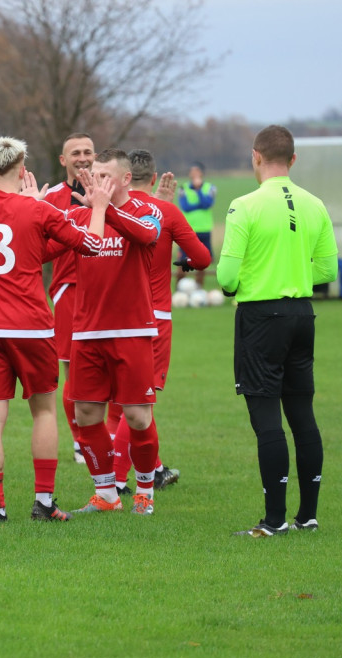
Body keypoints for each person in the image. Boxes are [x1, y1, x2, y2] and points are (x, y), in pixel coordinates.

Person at [0, 136, 115, 523]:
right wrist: (98, 207)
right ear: (22, 170)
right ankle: (44, 503)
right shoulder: (38, 211)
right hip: (31, 327)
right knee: (45, 413)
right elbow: (92, 245)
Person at [218, 125, 338, 537]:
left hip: (260, 318)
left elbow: (228, 277)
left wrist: (247, 279)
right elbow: (328, 271)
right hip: (303, 315)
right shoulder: (315, 204)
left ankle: (273, 521)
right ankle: (308, 514)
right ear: (293, 159)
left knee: (267, 420)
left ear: (255, 157)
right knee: (303, 416)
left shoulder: (244, 205)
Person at [108, 150, 214, 496]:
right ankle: (118, 480)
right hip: (153, 318)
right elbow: (201, 257)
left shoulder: (109, 209)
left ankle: (151, 469)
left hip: (110, 317)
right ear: (153, 179)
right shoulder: (165, 211)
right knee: (139, 403)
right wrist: (178, 258)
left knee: (121, 401)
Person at [67, 149, 163, 516]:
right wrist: (32, 207)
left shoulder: (144, 210)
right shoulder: (80, 215)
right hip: (87, 333)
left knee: (138, 417)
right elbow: (43, 242)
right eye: (94, 174)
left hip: (133, 331)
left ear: (125, 179)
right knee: (87, 414)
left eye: (105, 175)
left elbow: (145, 235)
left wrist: (107, 210)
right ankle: (106, 494)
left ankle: (144, 492)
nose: (96, 181)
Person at [41, 132, 95, 465]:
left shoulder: (109, 193)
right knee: (73, 370)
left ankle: (112, 437)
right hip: (70, 288)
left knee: (111, 370)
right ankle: (80, 440)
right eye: (75, 153)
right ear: (64, 160)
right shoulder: (52, 198)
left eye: (88, 151)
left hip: (109, 291)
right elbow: (36, 249)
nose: (83, 157)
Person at [177, 162, 216, 288]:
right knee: (183, 261)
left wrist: (198, 190)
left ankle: (199, 289)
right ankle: (178, 289)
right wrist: (199, 204)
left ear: (201, 173)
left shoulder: (210, 188)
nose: (194, 174)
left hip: (204, 230)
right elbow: (186, 207)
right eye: (191, 171)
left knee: (202, 263)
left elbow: (207, 204)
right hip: (187, 230)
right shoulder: (183, 188)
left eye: (196, 171)